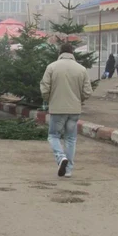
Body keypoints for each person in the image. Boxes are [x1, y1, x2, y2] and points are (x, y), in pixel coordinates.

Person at [40, 43, 93, 178]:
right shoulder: (81, 69)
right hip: (74, 110)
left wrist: (49, 99)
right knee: (71, 139)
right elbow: (87, 91)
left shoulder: (51, 67)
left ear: (60, 53)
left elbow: (45, 88)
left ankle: (60, 157)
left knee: (53, 136)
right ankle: (68, 170)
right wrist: (79, 100)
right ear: (72, 53)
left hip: (57, 109)